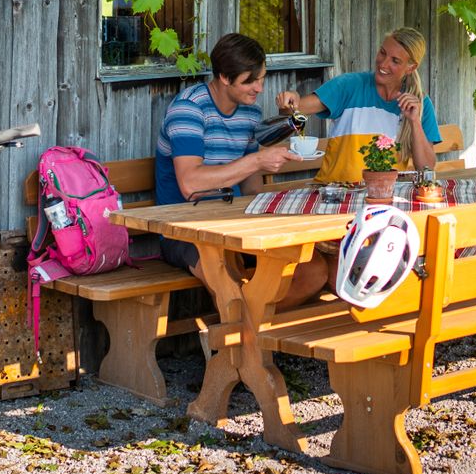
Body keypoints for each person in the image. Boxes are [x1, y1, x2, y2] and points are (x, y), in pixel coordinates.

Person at [155, 33, 328, 301]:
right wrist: (257, 159)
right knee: (229, 280)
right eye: (251, 81)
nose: (259, 88)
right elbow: (190, 184)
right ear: (224, 77)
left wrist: (278, 212)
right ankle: (245, 333)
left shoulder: (250, 113)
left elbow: (250, 187)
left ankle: (252, 329)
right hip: (184, 227)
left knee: (313, 270)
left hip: (235, 223)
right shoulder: (188, 109)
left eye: (261, 79)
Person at [276, 26, 442, 184]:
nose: (383, 64)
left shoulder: (419, 104)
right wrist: (293, 98)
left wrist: (414, 121)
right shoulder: (350, 85)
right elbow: (292, 109)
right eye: (382, 53)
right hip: (336, 194)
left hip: (383, 195)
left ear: (411, 68)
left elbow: (426, 168)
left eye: (395, 61)